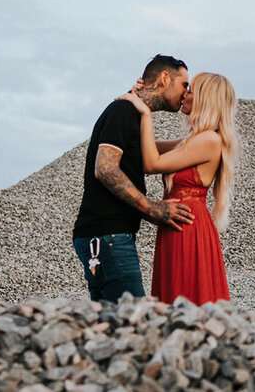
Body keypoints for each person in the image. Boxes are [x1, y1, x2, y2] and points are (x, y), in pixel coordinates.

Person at [71, 55, 196, 302]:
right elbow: (105, 168)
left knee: (112, 327)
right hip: (107, 237)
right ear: (164, 78)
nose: (186, 93)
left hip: (106, 236)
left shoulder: (133, 113)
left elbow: (149, 156)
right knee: (135, 325)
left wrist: (205, 139)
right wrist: (153, 209)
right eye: (184, 84)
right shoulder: (123, 110)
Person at [120, 72, 239, 305]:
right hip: (177, 222)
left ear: (204, 99)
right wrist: (140, 99)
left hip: (188, 225)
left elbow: (151, 163)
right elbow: (144, 148)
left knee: (187, 298)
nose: (184, 94)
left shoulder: (209, 140)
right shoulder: (194, 139)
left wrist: (145, 114)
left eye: (190, 90)